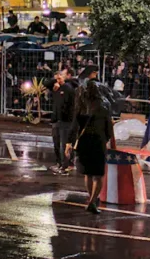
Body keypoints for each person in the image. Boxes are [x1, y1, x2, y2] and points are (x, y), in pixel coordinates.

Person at [68, 79, 114, 213]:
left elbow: (74, 125)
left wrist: (69, 142)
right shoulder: (105, 105)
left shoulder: (81, 105)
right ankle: (93, 201)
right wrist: (106, 139)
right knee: (98, 174)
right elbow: (108, 127)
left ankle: (91, 198)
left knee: (87, 173)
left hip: (84, 141)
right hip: (98, 141)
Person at [46, 69, 78, 175]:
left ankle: (66, 166)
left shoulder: (69, 88)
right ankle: (59, 163)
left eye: (61, 75)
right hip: (56, 119)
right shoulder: (57, 87)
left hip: (65, 121)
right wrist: (55, 80)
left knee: (64, 145)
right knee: (56, 143)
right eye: (58, 75)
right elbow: (46, 84)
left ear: (67, 76)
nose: (59, 77)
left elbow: (68, 105)